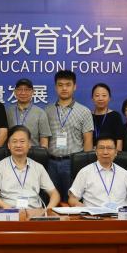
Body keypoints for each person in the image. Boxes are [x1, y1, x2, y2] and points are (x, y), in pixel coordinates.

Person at [43, 70, 94, 201]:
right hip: (51, 163)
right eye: (60, 85)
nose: (64, 88)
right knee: (52, 201)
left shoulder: (84, 111)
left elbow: (88, 140)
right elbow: (44, 138)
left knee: (72, 201)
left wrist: (85, 165)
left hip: (73, 162)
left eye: (68, 84)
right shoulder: (47, 110)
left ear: (74, 86)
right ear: (56, 87)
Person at [0, 125, 60, 211]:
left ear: (29, 144)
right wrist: (7, 207)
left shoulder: (38, 167)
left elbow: (54, 194)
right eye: (14, 141)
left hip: (34, 213)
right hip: (9, 212)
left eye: (22, 141)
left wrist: (47, 211)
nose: (18, 145)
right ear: (9, 145)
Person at [68, 136, 127, 208]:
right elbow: (72, 199)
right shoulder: (85, 172)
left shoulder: (124, 173)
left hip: (120, 217)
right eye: (101, 148)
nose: (105, 152)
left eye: (109, 148)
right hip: (95, 218)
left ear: (116, 152)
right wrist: (82, 208)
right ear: (96, 151)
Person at [6, 78, 50, 147]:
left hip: (33, 152)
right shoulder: (8, 112)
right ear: (15, 92)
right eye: (20, 89)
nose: (23, 93)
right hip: (12, 151)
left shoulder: (40, 113)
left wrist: (43, 152)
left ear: (33, 92)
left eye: (27, 90)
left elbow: (44, 139)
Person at [90, 83, 126, 149]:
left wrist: (117, 154)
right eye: (97, 95)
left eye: (104, 95)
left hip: (110, 153)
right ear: (92, 98)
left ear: (109, 98)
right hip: (91, 153)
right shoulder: (88, 115)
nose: (100, 98)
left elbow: (119, 141)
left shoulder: (115, 116)